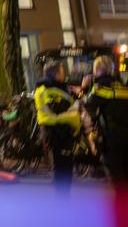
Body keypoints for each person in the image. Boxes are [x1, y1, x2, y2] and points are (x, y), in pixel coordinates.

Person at [34, 61, 81, 191]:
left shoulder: (56, 87)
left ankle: (64, 198)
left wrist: (74, 94)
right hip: (54, 132)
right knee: (61, 167)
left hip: (63, 130)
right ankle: (61, 200)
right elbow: (56, 108)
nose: (64, 74)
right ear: (55, 74)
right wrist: (75, 103)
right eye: (62, 71)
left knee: (66, 166)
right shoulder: (44, 88)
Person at [84, 55, 128, 181]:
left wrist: (85, 87)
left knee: (116, 174)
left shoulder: (100, 88)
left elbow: (89, 106)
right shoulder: (122, 86)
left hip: (113, 137)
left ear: (97, 70)